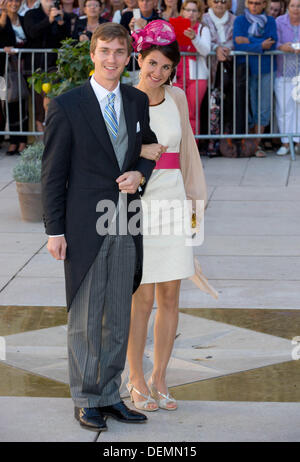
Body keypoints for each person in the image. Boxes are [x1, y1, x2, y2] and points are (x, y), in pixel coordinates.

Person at [42, 22, 158, 431]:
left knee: (118, 315)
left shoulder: (136, 100)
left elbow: (149, 144)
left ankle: (110, 395)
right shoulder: (67, 105)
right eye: (104, 51)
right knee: (87, 316)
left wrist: (140, 172)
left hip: (126, 219)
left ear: (129, 58)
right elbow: (52, 174)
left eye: (119, 52)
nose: (111, 59)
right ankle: (86, 398)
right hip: (83, 226)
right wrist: (54, 231)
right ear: (93, 54)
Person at [126, 20, 216, 412]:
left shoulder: (178, 98)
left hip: (175, 204)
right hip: (140, 207)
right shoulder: (125, 99)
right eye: (152, 63)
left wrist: (196, 207)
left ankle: (161, 376)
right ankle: (136, 378)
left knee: (170, 296)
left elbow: (190, 155)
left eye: (165, 66)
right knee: (141, 299)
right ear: (139, 60)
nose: (158, 72)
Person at [233, 0, 277, 157]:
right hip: (246, 69)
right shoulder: (240, 20)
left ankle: (256, 145)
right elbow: (237, 43)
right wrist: (260, 44)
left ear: (264, 4)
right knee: (249, 106)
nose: (254, 6)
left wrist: (248, 41)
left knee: (263, 107)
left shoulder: (270, 21)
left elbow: (272, 43)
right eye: (251, 2)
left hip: (265, 69)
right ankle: (248, 143)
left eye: (258, 3)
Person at [203, 0, 235, 156]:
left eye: (223, 1)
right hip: (210, 69)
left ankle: (225, 142)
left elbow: (236, 39)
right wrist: (216, 48)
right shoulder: (204, 19)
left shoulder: (234, 19)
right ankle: (210, 142)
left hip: (230, 70)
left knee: (228, 106)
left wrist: (227, 49)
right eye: (216, 1)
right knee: (210, 106)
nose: (219, 4)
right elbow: (204, 41)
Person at [174, 0, 211, 135]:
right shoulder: (175, 26)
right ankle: (179, 148)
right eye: (188, 10)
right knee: (177, 113)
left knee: (192, 113)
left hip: (197, 76)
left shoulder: (203, 29)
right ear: (182, 11)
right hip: (177, 75)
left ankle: (192, 148)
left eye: (194, 10)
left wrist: (195, 38)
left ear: (199, 13)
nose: (190, 13)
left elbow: (206, 50)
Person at [0, 0, 29, 154]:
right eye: (10, 0)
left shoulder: (24, 19)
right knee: (11, 103)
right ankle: (13, 140)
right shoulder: (1, 20)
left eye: (17, 1)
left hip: (25, 66)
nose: (14, 3)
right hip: (8, 68)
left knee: (24, 104)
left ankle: (23, 141)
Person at [275, 0, 300, 155]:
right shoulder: (279, 21)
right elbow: (275, 41)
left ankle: (297, 142)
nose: (296, 9)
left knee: (298, 109)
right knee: (284, 108)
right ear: (287, 7)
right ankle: (285, 142)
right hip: (283, 70)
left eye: (299, 6)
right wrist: (282, 46)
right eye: (293, 5)